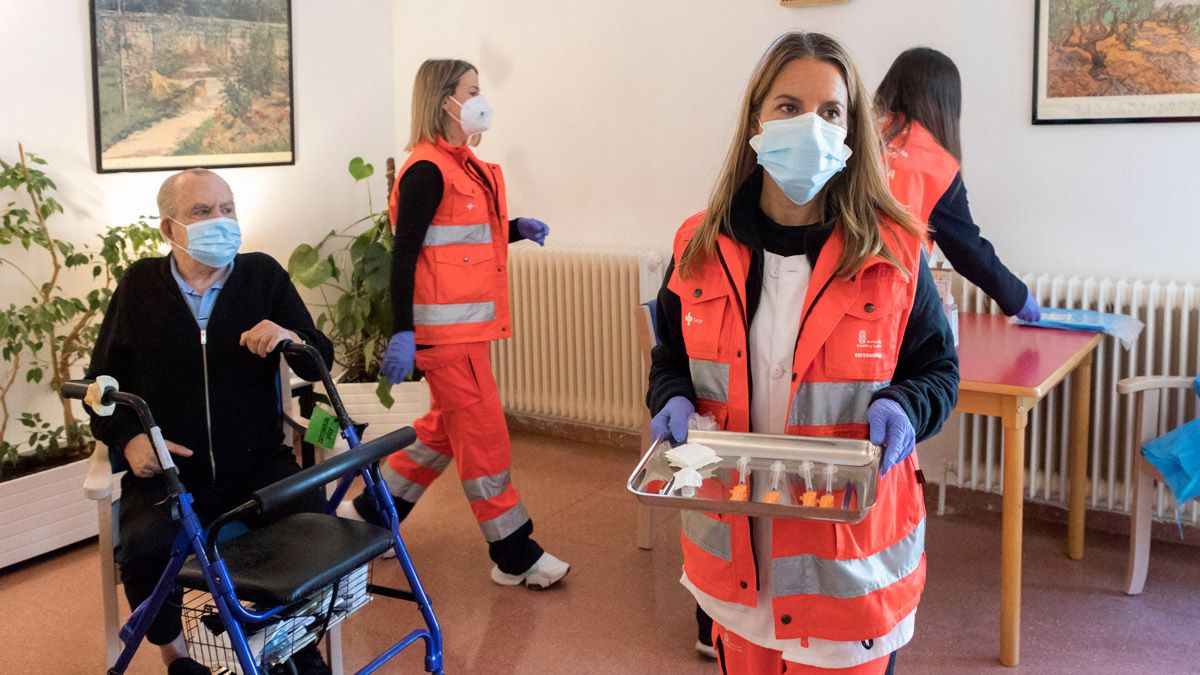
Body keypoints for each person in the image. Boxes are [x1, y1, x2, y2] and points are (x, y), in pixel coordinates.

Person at [647, 32, 959, 674]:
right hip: (736, 569)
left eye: (830, 111)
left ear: (850, 132)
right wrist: (669, 397)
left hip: (847, 575)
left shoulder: (895, 251)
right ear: (756, 118)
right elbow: (671, 357)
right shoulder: (697, 245)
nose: (809, 126)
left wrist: (907, 408)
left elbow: (938, 371)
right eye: (789, 106)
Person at [86, 169, 335, 675]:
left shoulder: (262, 275)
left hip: (258, 461)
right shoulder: (138, 288)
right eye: (202, 212)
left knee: (315, 525)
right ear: (169, 229)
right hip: (171, 473)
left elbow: (319, 359)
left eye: (227, 208)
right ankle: (175, 655)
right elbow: (99, 389)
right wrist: (128, 440)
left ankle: (294, 642)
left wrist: (290, 336)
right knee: (146, 547)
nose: (220, 221)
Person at [336, 58, 569, 589]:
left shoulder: (459, 164)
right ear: (447, 101)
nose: (482, 99)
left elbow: (459, 238)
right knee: (485, 441)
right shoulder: (426, 169)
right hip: (446, 338)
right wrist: (402, 331)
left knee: (441, 432)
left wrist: (513, 229)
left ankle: (369, 515)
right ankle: (513, 553)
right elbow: (405, 255)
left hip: (465, 334)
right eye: (474, 90)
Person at [876, 47, 1041, 323]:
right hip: (885, 301)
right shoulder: (935, 164)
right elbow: (966, 249)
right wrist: (1018, 297)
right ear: (945, 103)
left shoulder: (857, 135)